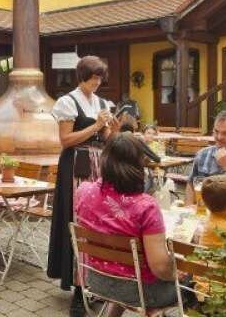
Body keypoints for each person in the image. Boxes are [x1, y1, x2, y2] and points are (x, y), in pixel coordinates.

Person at [75, 133, 178, 316]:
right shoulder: (146, 206)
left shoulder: (84, 191)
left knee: (128, 269)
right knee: (192, 283)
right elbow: (160, 268)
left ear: (104, 160)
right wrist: (178, 273)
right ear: (138, 164)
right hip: (141, 291)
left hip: (98, 281)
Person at [47, 55, 118, 316]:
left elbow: (107, 139)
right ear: (82, 77)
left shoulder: (102, 103)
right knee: (79, 221)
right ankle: (78, 288)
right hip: (76, 165)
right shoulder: (68, 102)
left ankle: (96, 282)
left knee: (98, 222)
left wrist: (113, 129)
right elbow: (66, 140)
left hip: (100, 167)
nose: (97, 82)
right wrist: (96, 125)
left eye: (100, 78)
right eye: (93, 78)